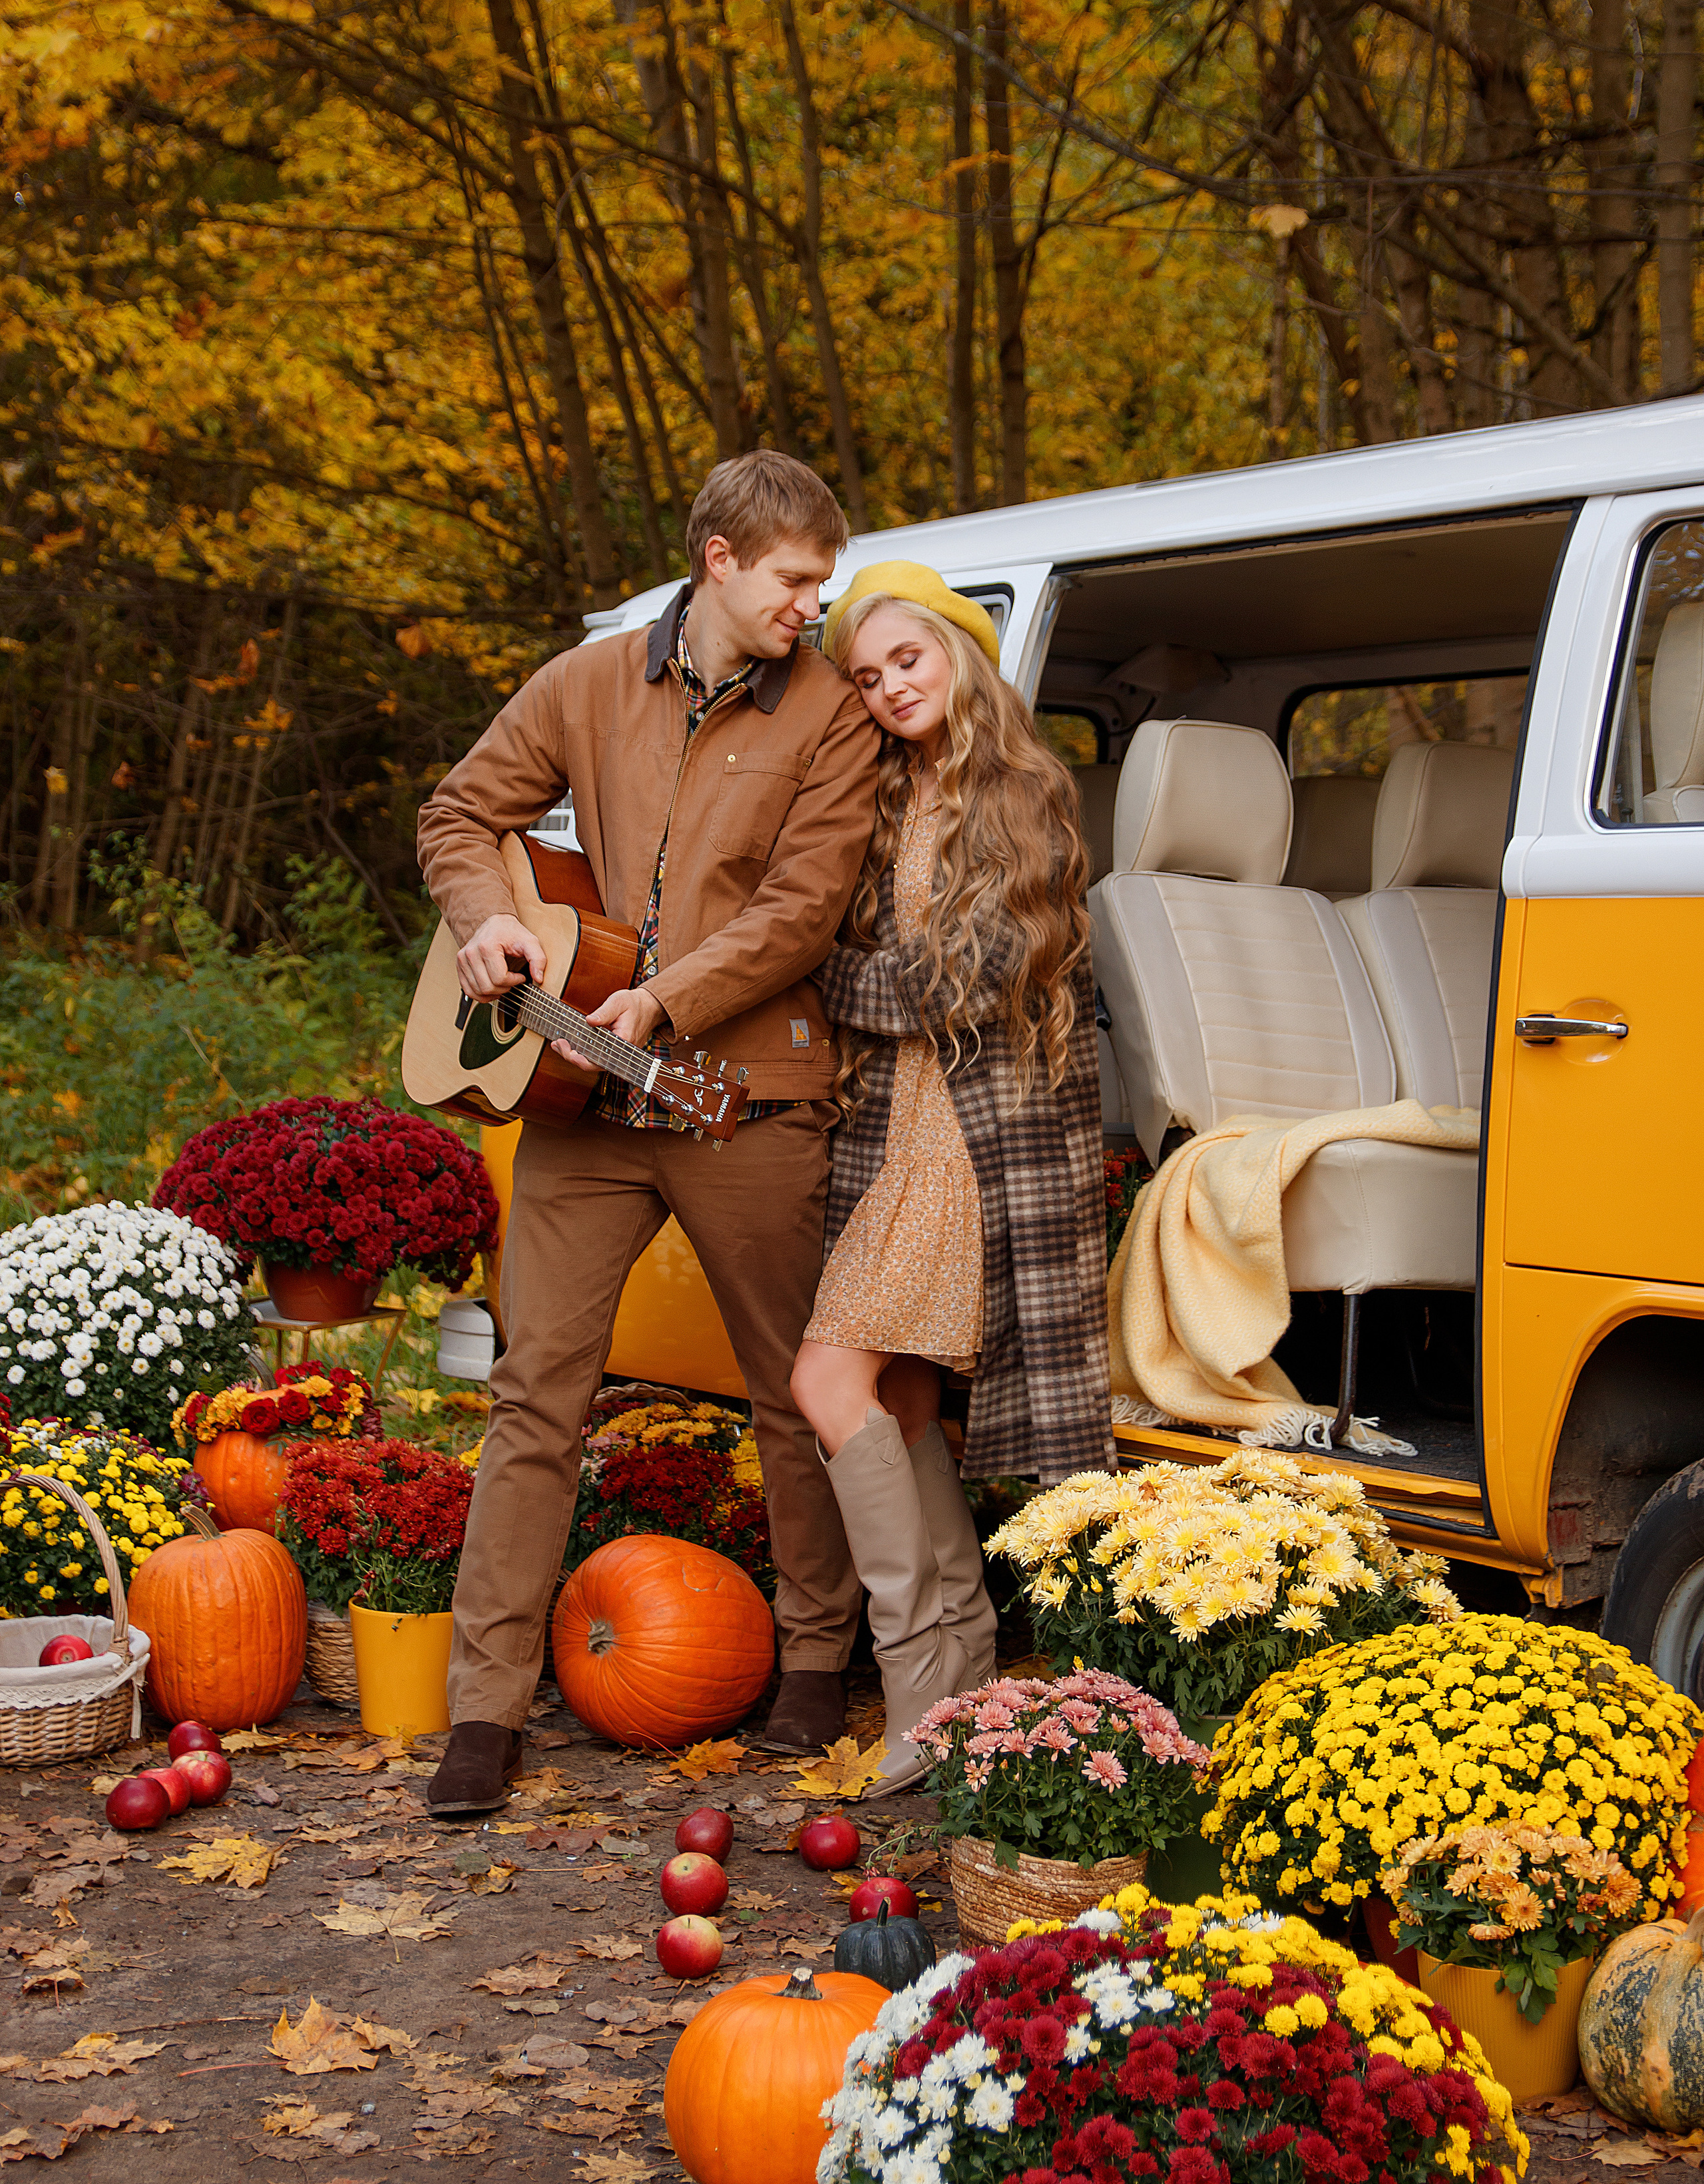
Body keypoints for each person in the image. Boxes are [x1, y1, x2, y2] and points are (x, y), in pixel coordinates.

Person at [416, 453, 881, 1814]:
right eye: (797, 579)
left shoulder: (834, 712)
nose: (815, 604)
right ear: (722, 562)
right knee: (531, 1399)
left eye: (825, 581)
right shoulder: (587, 684)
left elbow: (802, 912)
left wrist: (663, 998)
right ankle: (483, 1711)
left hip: (748, 1096)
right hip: (580, 1101)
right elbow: (460, 814)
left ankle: (812, 1660)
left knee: (789, 1390)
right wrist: (483, 922)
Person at [789, 560, 1114, 1794]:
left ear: (961, 650)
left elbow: (951, 983)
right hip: (898, 1124)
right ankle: (961, 1665)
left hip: (978, 1137)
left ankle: (919, 1690)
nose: (888, 688)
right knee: (908, 1401)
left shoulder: (1019, 790)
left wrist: (826, 978)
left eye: (906, 660)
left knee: (828, 1374)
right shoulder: (888, 792)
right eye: (866, 676)